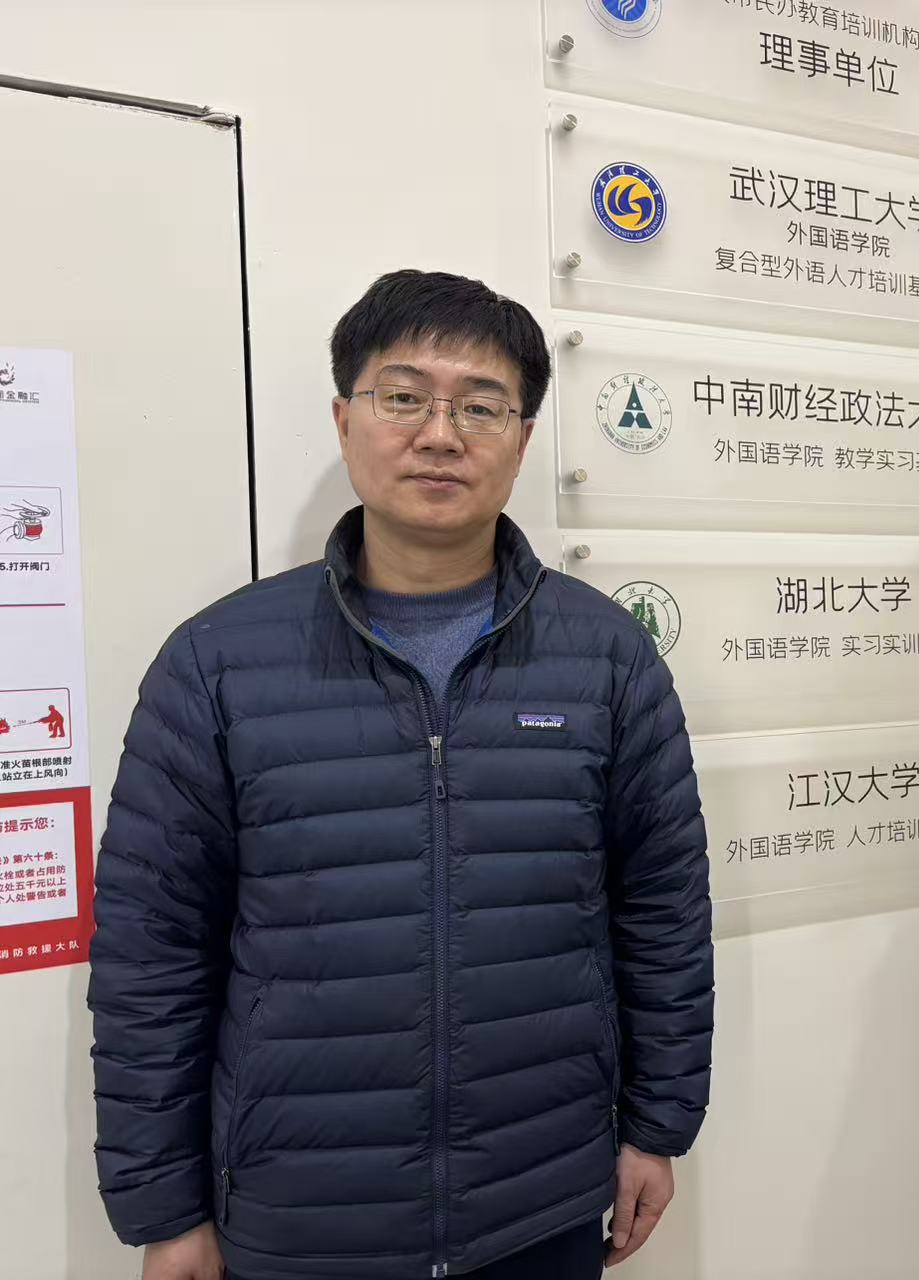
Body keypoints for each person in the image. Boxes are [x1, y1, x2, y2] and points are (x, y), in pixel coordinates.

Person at [89, 269, 714, 1280]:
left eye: (480, 405)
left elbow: (663, 911)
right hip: (300, 1222)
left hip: (539, 1200)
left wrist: (657, 1124)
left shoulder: (605, 657)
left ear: (521, 437)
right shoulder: (218, 663)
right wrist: (166, 1207)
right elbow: (150, 954)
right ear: (346, 420)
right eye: (404, 396)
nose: (439, 434)